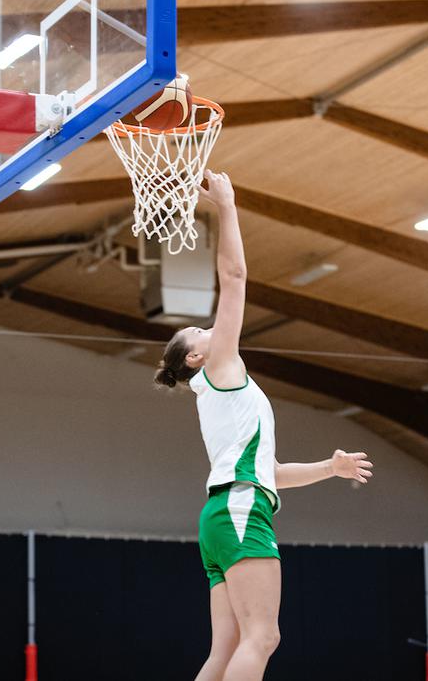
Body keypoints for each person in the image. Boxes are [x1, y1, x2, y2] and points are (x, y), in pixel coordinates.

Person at [154, 169, 374, 681]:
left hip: (225, 510)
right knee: (263, 637)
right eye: (198, 331)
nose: (208, 326)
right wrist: (226, 205)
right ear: (195, 358)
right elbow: (234, 278)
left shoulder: (221, 389)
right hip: (238, 507)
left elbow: (270, 470)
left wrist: (330, 467)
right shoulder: (219, 367)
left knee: (226, 650)